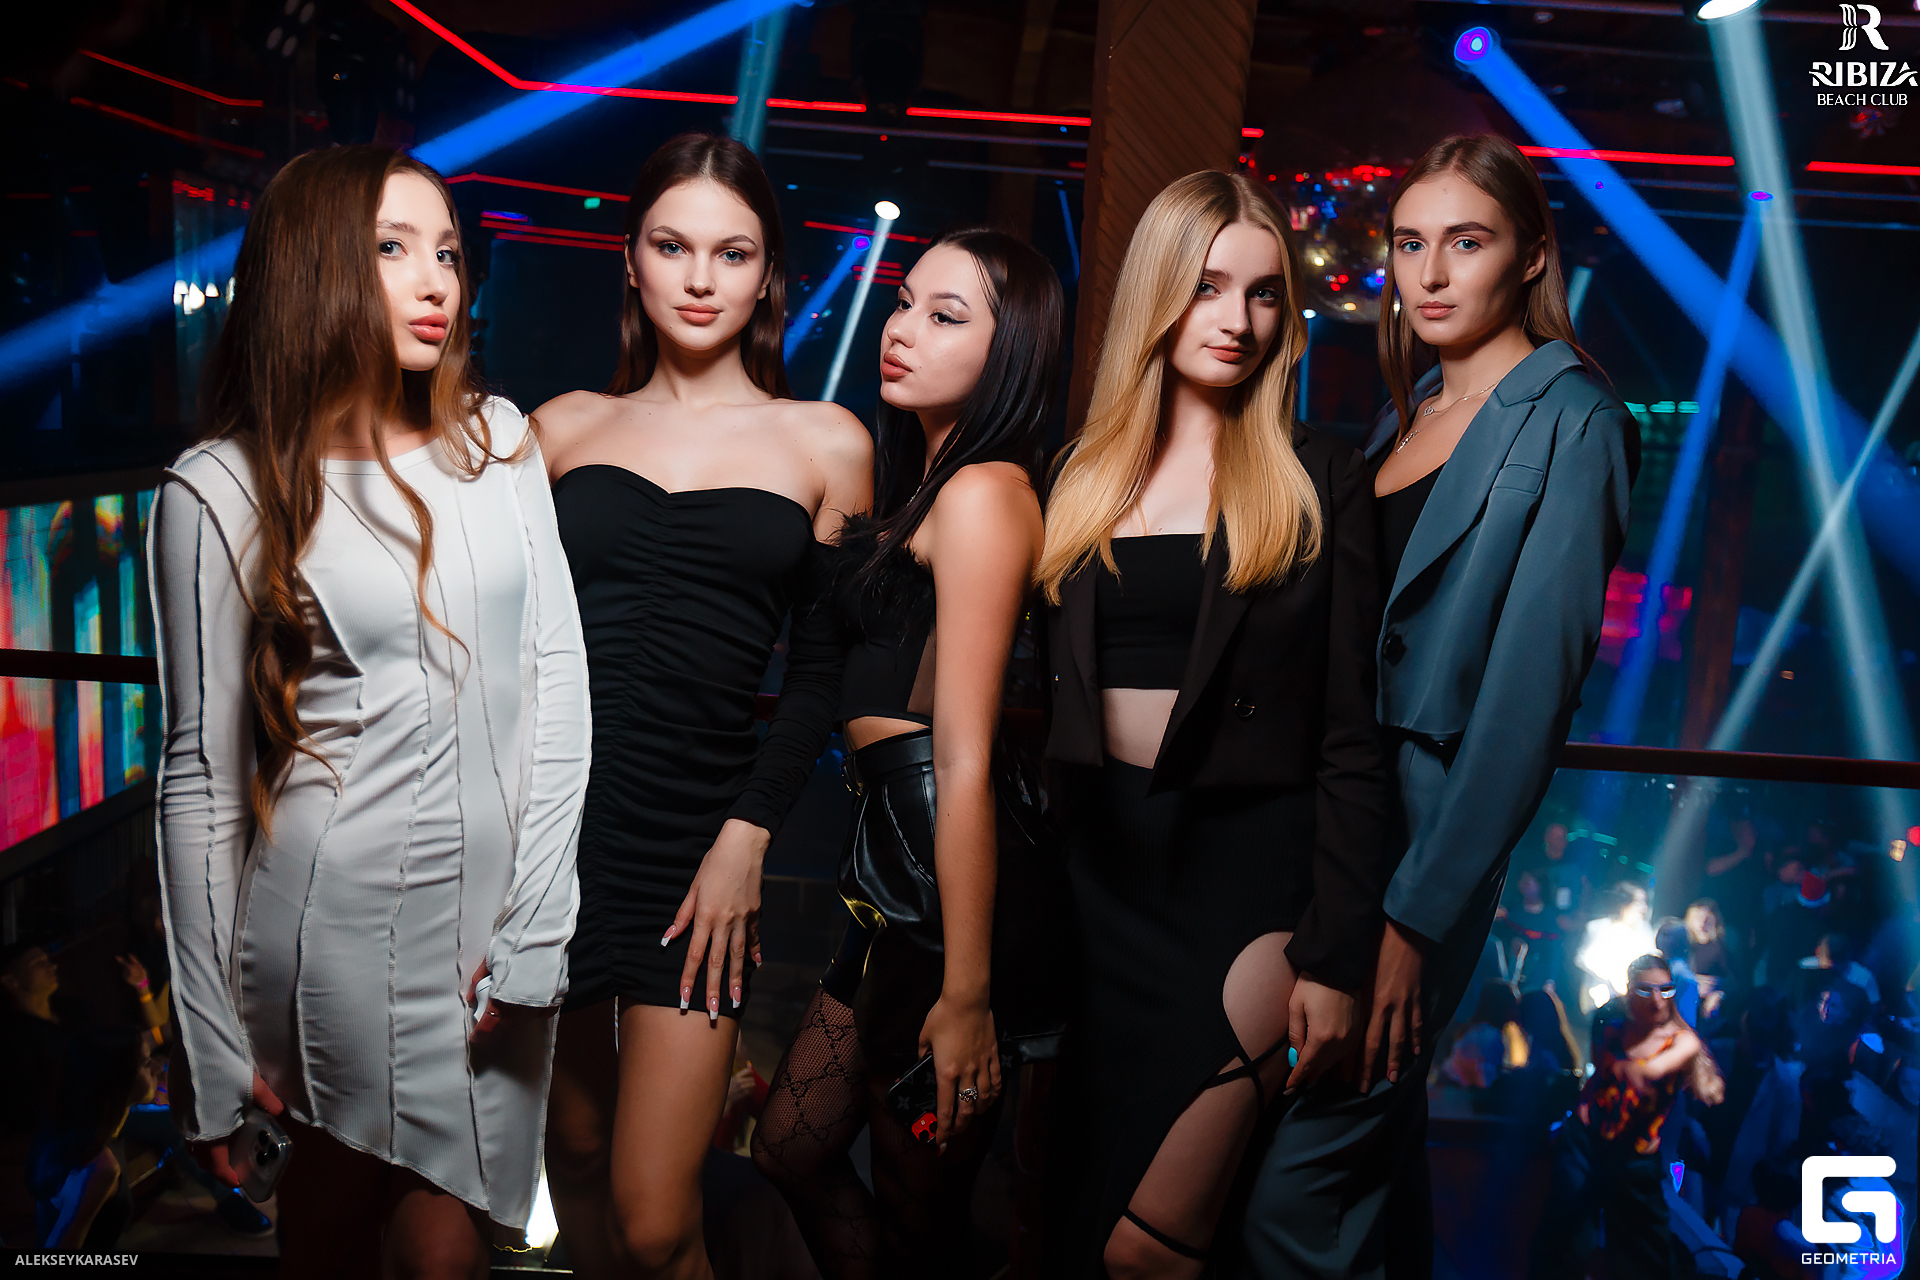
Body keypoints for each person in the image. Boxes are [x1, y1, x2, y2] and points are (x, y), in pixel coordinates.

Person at [150, 145, 590, 1279]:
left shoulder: (501, 440)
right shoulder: (222, 484)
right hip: (332, 928)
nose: (438, 280)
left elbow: (559, 682)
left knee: (436, 1232)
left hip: (490, 925)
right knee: (354, 1225)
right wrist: (206, 1039)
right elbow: (200, 778)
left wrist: (540, 923)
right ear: (315, 266)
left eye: (448, 250)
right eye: (394, 248)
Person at [1244, 131, 1638, 1280]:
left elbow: (1526, 701)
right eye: (1410, 243)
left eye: (1466, 242)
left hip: (1425, 841)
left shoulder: (1575, 418)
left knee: (1293, 1195)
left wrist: (1418, 920)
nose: (1429, 271)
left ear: (1530, 255)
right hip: (1333, 818)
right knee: (1357, 1165)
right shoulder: (1407, 410)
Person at [1038, 169, 1388, 1277]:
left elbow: (1355, 737)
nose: (1238, 319)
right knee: (1071, 1233)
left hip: (1245, 896)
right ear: (1156, 294)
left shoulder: (1320, 477)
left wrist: (1334, 955)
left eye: (1264, 293)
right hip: (1098, 894)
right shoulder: (1077, 476)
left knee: (1147, 1250)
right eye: (1207, 287)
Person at [536, 132, 871, 1280]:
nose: (699, 277)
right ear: (630, 259)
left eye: (732, 253)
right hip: (552, 838)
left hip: (700, 852)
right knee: (576, 1160)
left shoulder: (824, 440)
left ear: (770, 273)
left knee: (653, 1216)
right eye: (672, 246)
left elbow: (821, 675)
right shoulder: (558, 427)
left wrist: (747, 833)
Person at [749, 228, 1065, 1278]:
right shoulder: (932, 484)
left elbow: (967, 757)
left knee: (921, 1216)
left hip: (944, 887)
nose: (902, 329)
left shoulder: (983, 494)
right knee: (792, 1146)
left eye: (945, 315)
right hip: (891, 871)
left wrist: (968, 993)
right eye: (902, 301)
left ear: (1009, 350)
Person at [1527, 956, 1723, 1280]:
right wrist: (1574, 1120)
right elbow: (1595, 1084)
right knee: (1565, 1243)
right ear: (1630, 992)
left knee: (1646, 1258)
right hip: (1587, 1144)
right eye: (1646, 990)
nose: (1657, 999)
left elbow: (1652, 1072)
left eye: (1665, 989)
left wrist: (1632, 1068)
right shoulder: (1613, 1027)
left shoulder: (1683, 1041)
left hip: (1636, 1158)